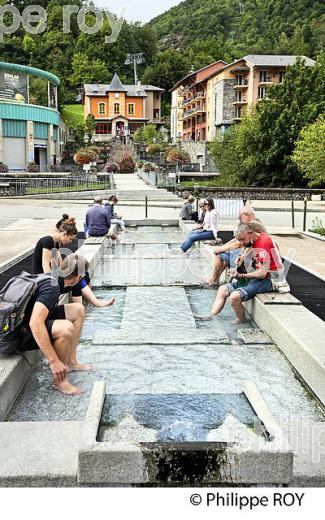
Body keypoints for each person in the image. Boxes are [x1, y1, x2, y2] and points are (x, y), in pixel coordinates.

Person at [19, 254, 92, 396]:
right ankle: (60, 381)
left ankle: (71, 362)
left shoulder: (57, 277)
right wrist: (54, 361)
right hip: (19, 333)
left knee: (78, 310)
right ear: (77, 278)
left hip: (25, 322)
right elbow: (35, 323)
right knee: (66, 328)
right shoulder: (52, 288)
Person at [199, 222, 284, 323]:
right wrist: (241, 260)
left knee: (234, 297)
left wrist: (242, 275)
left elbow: (263, 274)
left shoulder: (264, 242)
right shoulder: (253, 241)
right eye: (240, 240)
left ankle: (241, 321)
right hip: (257, 278)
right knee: (222, 289)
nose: (242, 243)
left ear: (250, 233)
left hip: (271, 280)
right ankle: (211, 316)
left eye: (243, 239)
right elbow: (251, 262)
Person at [33, 215, 115, 309]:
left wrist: (70, 272)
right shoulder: (48, 240)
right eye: (70, 239)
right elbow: (45, 265)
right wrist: (51, 284)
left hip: (50, 276)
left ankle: (92, 303)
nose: (70, 242)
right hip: (42, 279)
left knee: (82, 273)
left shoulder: (55, 242)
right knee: (77, 283)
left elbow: (60, 264)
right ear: (64, 233)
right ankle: (85, 307)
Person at [205, 206, 267, 285]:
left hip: (249, 260)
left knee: (219, 254)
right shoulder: (254, 223)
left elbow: (239, 243)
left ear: (246, 214)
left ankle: (214, 279)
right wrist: (223, 247)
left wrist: (221, 249)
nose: (240, 220)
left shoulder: (253, 226)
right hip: (246, 256)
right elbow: (237, 239)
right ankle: (215, 278)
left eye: (240, 217)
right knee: (224, 256)